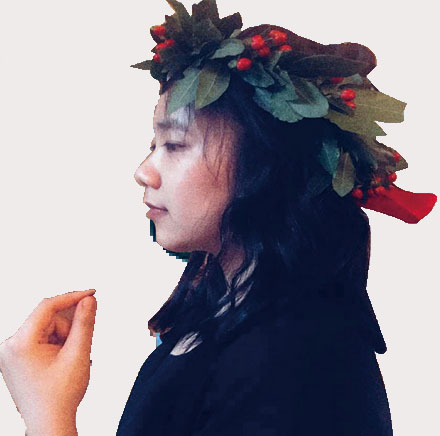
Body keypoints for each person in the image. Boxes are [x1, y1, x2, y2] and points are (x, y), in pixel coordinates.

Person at [0, 1, 437, 435]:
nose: (143, 171)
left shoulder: (295, 356)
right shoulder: (226, 316)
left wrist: (48, 416)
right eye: (154, 145)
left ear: (267, 166)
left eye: (175, 144)